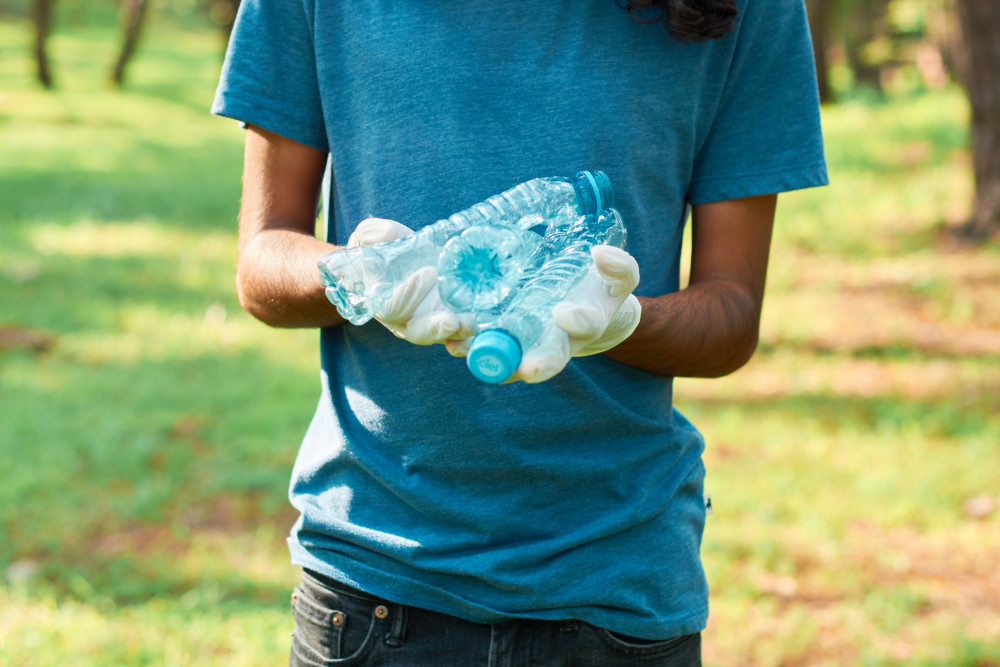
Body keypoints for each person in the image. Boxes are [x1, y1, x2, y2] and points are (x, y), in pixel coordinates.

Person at [212, 0, 827, 664]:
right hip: (374, 584)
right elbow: (262, 261)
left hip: (617, 596)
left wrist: (623, 323)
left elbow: (733, 312)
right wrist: (357, 273)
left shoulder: (742, 8)